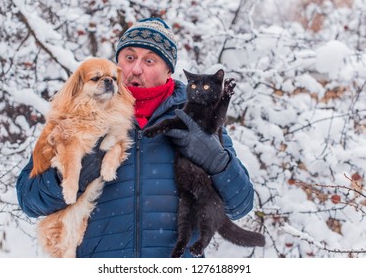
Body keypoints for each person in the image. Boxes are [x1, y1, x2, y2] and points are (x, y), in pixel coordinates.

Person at [16, 18, 255, 258]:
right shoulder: (80, 113)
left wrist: (218, 163)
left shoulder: (198, 117)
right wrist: (69, 176)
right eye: (129, 58)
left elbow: (240, 206)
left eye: (149, 61)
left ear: (169, 70)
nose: (136, 69)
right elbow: (28, 199)